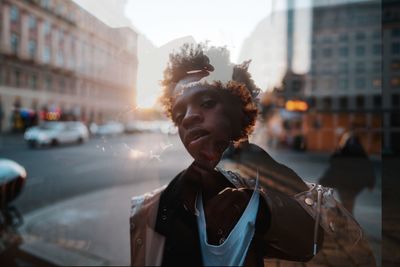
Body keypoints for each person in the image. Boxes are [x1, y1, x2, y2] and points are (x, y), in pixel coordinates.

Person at [130, 44, 324, 266]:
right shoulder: (168, 197)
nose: (187, 118)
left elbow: (313, 239)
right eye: (179, 114)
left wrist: (260, 211)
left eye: (207, 102)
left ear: (240, 108)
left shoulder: (268, 175)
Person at [319, 131, 376, 214]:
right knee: (348, 204)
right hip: (355, 185)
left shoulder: (341, 152)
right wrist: (371, 183)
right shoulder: (361, 153)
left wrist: (324, 181)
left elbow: (334, 168)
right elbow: (368, 168)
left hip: (344, 184)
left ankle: (346, 222)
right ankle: (346, 219)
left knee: (346, 205)